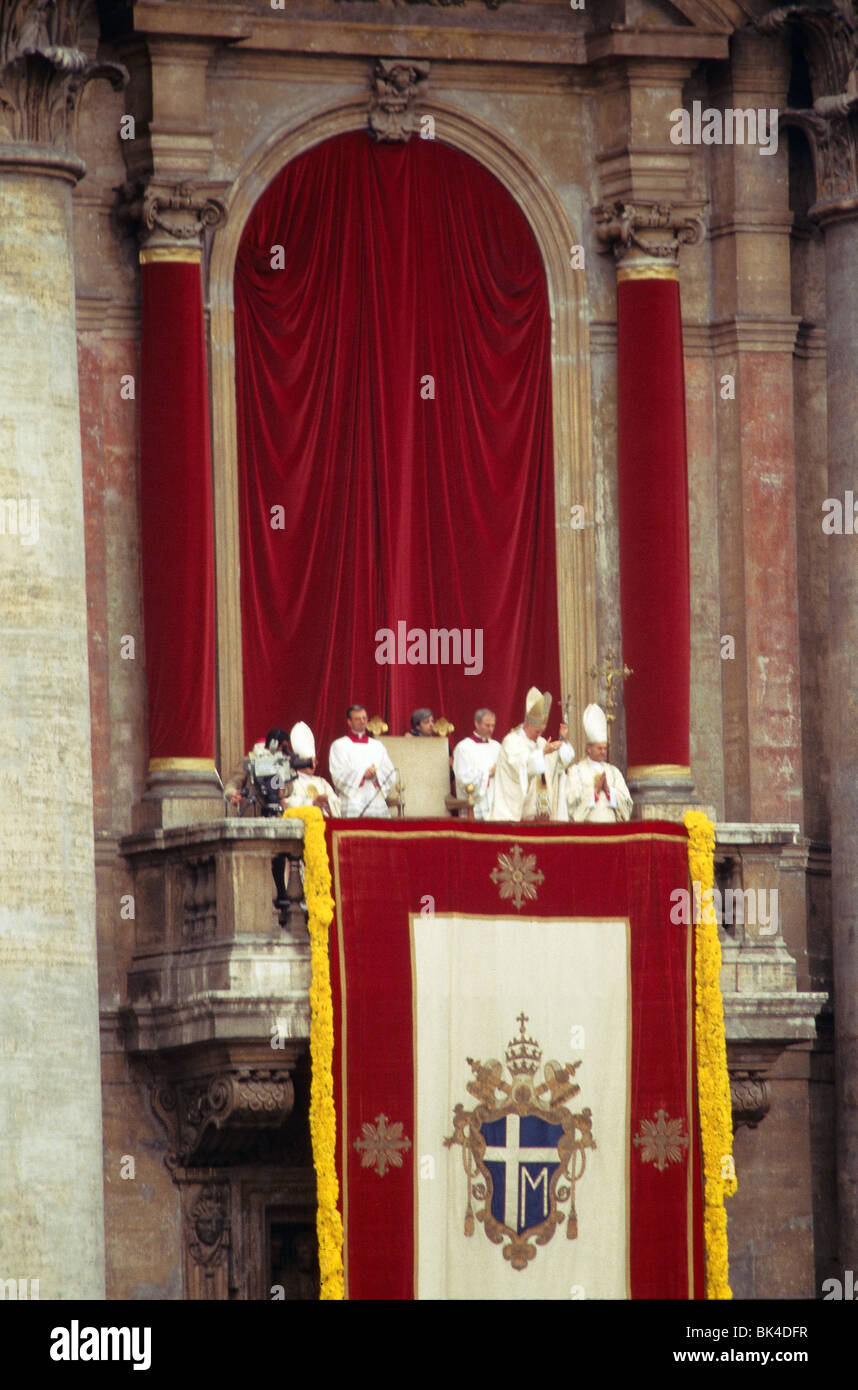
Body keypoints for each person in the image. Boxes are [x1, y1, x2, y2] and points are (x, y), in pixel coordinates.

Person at [489, 687, 574, 821]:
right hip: (514, 814)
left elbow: (561, 763)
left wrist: (563, 740)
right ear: (526, 725)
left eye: (541, 731)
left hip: (541, 816)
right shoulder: (511, 741)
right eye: (536, 732)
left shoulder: (540, 743)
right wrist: (543, 753)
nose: (540, 735)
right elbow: (522, 766)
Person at [565, 703, 633, 823]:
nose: (603, 752)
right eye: (599, 748)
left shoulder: (613, 771)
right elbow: (570, 802)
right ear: (589, 749)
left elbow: (627, 802)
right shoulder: (576, 771)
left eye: (605, 748)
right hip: (587, 829)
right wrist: (595, 791)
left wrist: (608, 790)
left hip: (611, 827)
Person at [329, 703, 397, 818]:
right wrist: (362, 774)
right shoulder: (339, 745)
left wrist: (376, 774)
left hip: (375, 799)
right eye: (357, 719)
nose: (362, 721)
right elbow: (337, 774)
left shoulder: (377, 746)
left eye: (364, 718)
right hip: (352, 800)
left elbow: (390, 771)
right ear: (349, 722)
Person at [283, 722, 341, 817]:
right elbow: (287, 802)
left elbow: (337, 801)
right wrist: (312, 803)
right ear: (299, 762)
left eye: (315, 762)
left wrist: (327, 802)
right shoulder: (290, 781)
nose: (313, 765)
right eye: (309, 762)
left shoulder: (322, 782)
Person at [452, 708, 501, 819]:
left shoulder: (497, 747)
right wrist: (488, 773)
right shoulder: (464, 747)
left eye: (493, 725)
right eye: (487, 725)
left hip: (495, 804)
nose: (491, 729)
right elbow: (463, 779)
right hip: (474, 807)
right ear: (476, 724)